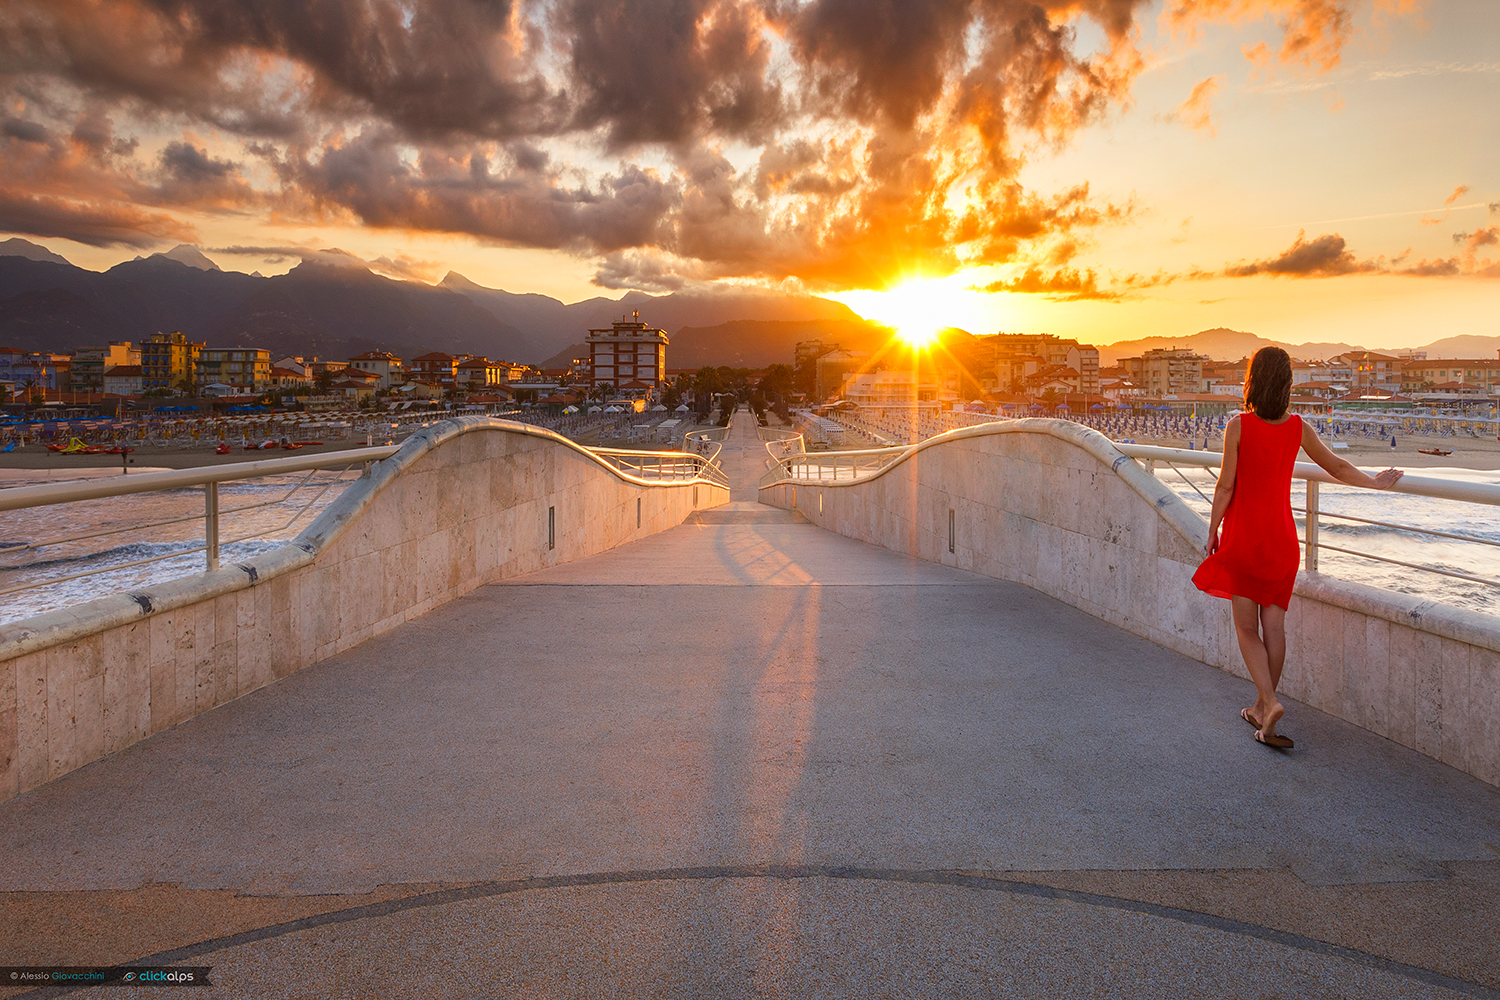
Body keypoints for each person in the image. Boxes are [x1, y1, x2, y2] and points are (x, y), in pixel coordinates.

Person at [1193, 347, 1403, 749]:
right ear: (1288, 383)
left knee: (1245, 627)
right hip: (1283, 541)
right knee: (1275, 628)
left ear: (1252, 381)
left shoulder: (1238, 426)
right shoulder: (1298, 428)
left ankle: (1269, 702)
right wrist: (1374, 483)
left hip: (1245, 538)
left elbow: (1225, 486)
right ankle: (1260, 707)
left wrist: (1212, 529)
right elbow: (1336, 467)